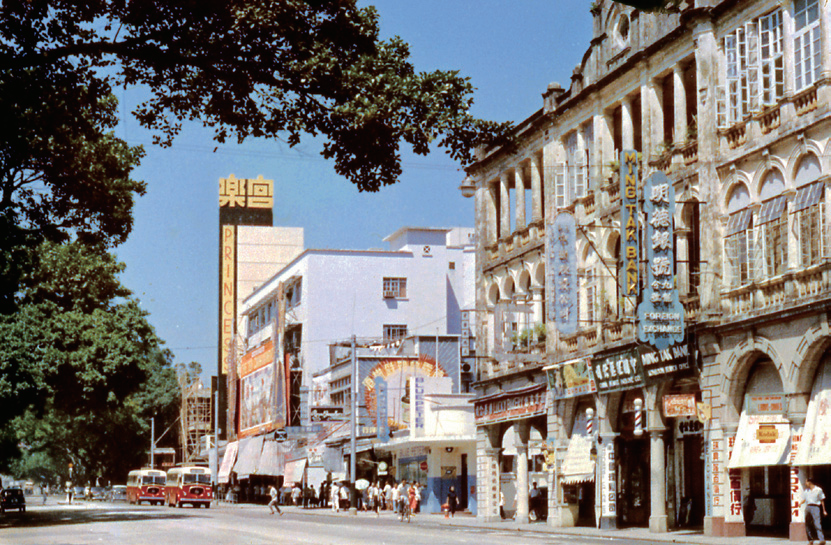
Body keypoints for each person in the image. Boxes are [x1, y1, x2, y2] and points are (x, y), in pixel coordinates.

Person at [800, 477, 827, 545]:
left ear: (810, 482)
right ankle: (810, 540)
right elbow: (805, 499)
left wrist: (824, 510)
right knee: (807, 524)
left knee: (817, 523)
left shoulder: (818, 490)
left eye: (806, 482)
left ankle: (822, 540)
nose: (805, 483)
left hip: (816, 507)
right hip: (808, 507)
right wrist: (800, 503)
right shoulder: (806, 491)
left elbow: (822, 500)